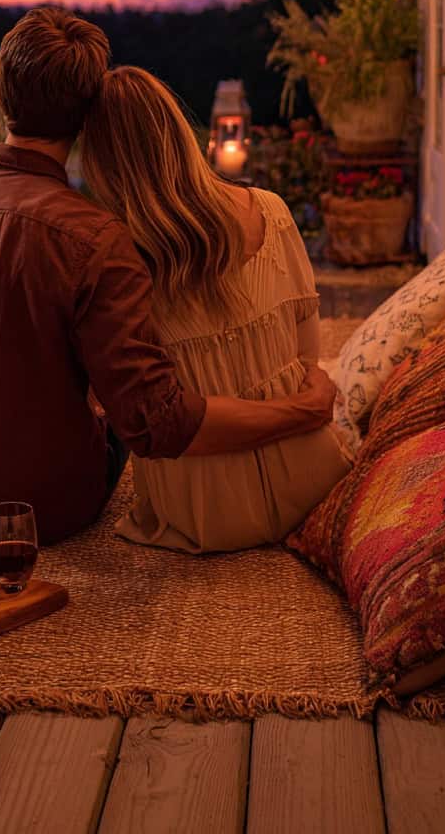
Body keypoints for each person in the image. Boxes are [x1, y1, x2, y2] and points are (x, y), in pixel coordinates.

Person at [0, 7, 336, 546]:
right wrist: (300, 411)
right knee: (122, 391)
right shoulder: (93, 236)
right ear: (85, 119)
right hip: (46, 508)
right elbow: (154, 424)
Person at [81, 66, 353, 553]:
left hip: (201, 514)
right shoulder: (271, 211)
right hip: (311, 476)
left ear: (101, 162)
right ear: (179, 134)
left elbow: (141, 415)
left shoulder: (114, 262)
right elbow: (308, 359)